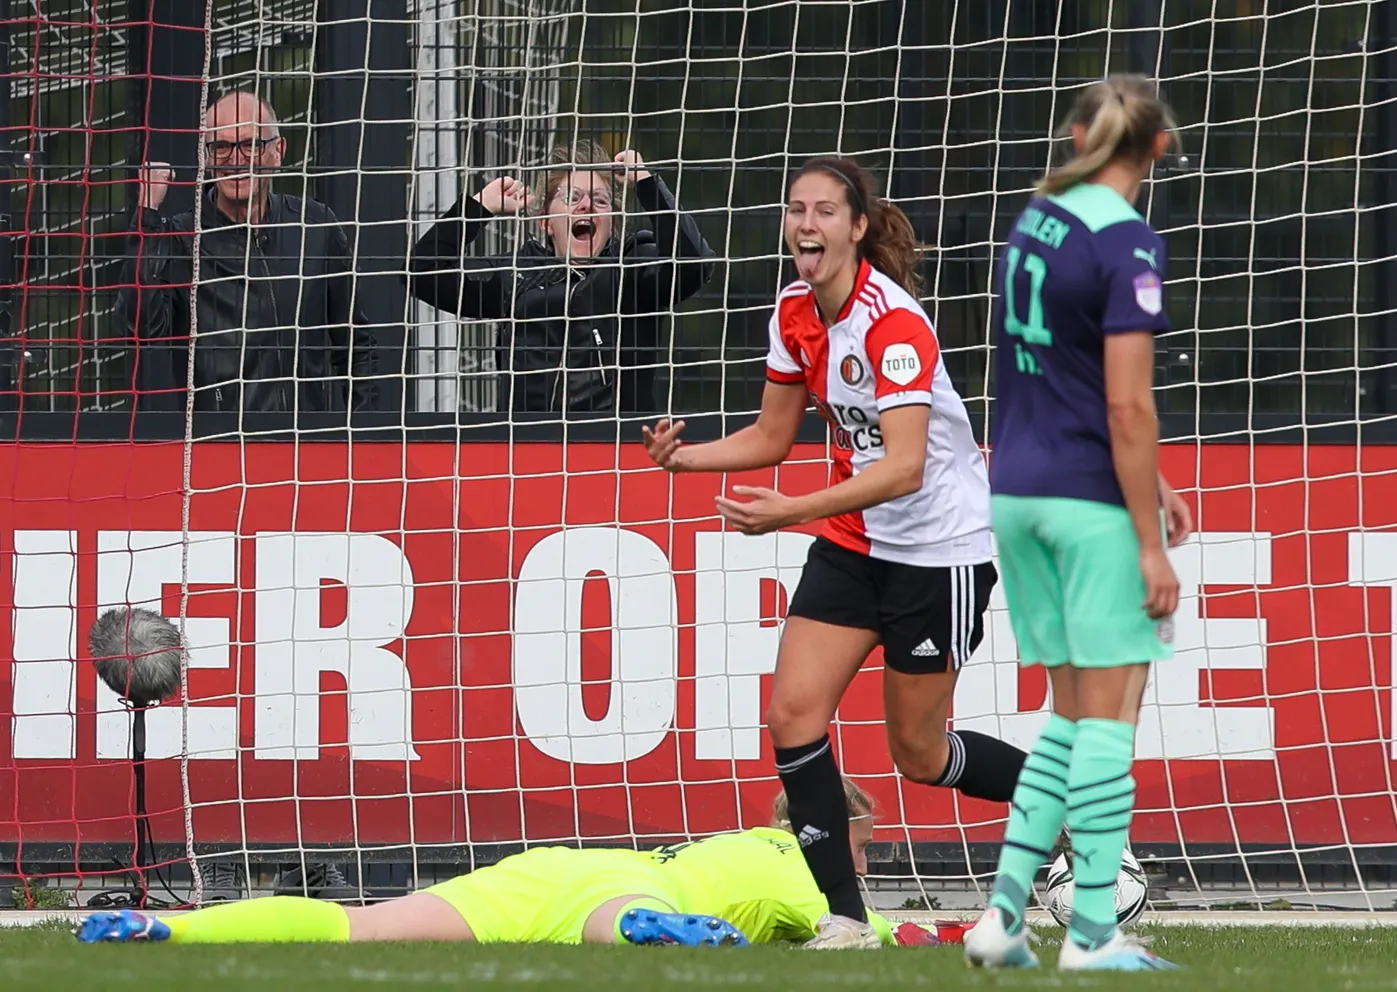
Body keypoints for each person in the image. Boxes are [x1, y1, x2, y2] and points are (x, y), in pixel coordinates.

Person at [641, 157, 1027, 950]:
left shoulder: (895, 326)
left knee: (919, 754)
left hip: (937, 550)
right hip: (855, 542)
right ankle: (844, 917)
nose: (805, 225)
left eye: (823, 211)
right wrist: (686, 458)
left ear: (857, 228)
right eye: (794, 211)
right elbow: (774, 437)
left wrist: (790, 515)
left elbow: (904, 467)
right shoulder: (793, 310)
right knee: (792, 716)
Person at [961, 75, 1193, 973]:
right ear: (1160, 148)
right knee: (1109, 723)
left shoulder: (1036, 221)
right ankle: (1092, 932)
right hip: (1086, 502)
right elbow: (1128, 407)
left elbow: (1062, 376)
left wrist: (1154, 484)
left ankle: (1004, 916)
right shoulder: (1126, 240)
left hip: (1016, 491)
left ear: (1075, 132)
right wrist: (1145, 536)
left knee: (1065, 719)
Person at [75, 779, 902, 948]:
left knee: (358, 928)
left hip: (549, 866)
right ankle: (646, 931)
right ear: (842, 835)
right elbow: (873, 943)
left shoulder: (735, 839)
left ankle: (171, 930)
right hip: (641, 887)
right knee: (618, 922)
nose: (874, 856)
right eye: (870, 843)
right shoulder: (806, 872)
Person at [115, 89, 378, 413]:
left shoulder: (316, 227)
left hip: (306, 448)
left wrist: (363, 443)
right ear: (207, 155)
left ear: (278, 151)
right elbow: (140, 330)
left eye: (250, 144)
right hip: (217, 449)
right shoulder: (181, 238)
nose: (235, 160)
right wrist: (147, 216)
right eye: (222, 146)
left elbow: (356, 346)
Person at [407, 139, 713, 413]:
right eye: (571, 197)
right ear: (546, 223)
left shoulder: (634, 271)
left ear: (613, 224)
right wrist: (479, 207)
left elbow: (695, 263)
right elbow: (421, 274)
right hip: (527, 451)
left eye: (601, 200)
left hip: (616, 450)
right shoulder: (516, 277)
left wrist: (646, 184)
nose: (586, 205)